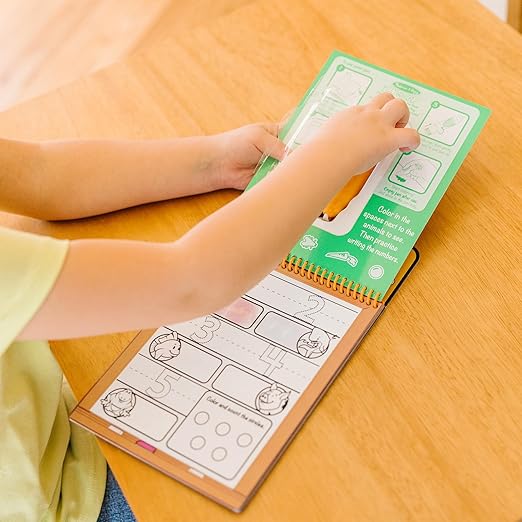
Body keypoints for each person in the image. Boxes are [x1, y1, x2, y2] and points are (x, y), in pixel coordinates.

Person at [0, 92, 419, 521]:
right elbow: (189, 282)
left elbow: (40, 175)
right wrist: (334, 154)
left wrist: (214, 160)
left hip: (49, 416)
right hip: (68, 500)